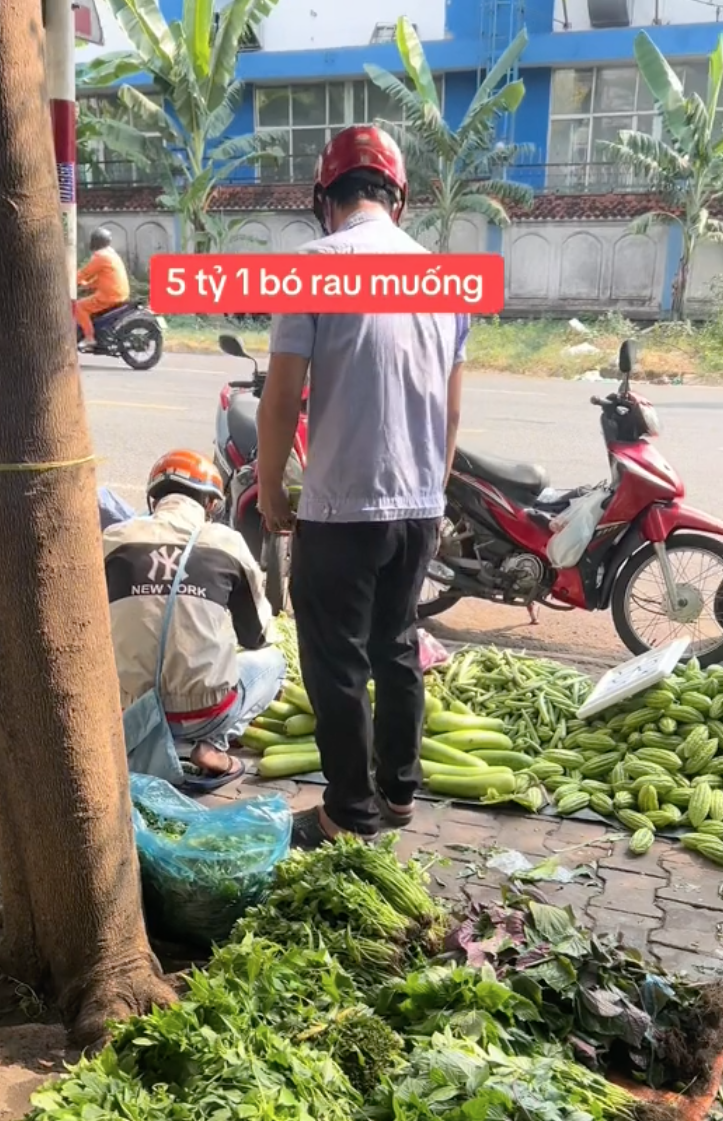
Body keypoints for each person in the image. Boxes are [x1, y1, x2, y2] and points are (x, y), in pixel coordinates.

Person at [256, 125, 469, 847]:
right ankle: (399, 795)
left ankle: (348, 810)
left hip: (345, 506)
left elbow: (282, 398)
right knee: (398, 646)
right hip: (418, 505)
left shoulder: (313, 265)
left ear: (327, 199)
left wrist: (270, 486)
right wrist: (433, 494)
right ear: (398, 201)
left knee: (335, 659)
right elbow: (451, 405)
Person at [103, 450, 285, 789]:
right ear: (211, 505)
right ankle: (214, 747)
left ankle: (137, 741)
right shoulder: (227, 543)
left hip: (128, 711)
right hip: (203, 716)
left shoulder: (114, 539)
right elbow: (256, 636)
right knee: (273, 661)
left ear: (153, 497)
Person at [76, 227, 130, 348]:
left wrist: (70, 281)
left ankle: (89, 338)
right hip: (119, 293)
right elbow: (104, 278)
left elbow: (84, 273)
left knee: (79, 306)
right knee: (88, 301)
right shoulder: (111, 254)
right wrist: (87, 285)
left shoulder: (101, 257)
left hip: (110, 295)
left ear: (95, 242)